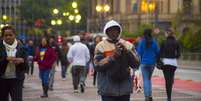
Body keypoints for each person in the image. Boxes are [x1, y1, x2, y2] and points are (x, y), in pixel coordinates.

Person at [94, 20, 139, 101]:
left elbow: (136, 63)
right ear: (106, 31)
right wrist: (113, 56)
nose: (113, 32)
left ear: (119, 31)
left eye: (115, 30)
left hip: (124, 89)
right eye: (110, 30)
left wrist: (127, 52)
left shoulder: (128, 45)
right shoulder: (101, 46)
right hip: (107, 89)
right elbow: (97, 66)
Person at [0, 26, 28, 101]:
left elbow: (26, 66)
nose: (8, 37)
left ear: (14, 35)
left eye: (10, 35)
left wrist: (22, 61)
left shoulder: (21, 47)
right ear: (2, 37)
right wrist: (5, 59)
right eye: (6, 35)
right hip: (2, 80)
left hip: (16, 79)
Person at [137, 29, 159, 101]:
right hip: (152, 63)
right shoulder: (154, 42)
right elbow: (158, 52)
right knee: (149, 79)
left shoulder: (142, 42)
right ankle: (149, 96)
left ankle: (147, 97)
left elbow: (139, 52)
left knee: (146, 79)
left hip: (144, 63)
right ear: (150, 34)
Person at [159, 28, 181, 101]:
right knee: (170, 79)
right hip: (174, 63)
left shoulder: (163, 42)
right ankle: (171, 81)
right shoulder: (176, 42)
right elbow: (178, 54)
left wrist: (159, 60)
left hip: (166, 62)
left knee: (167, 80)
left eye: (165, 33)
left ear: (167, 33)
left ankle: (169, 97)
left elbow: (160, 53)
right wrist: (174, 57)